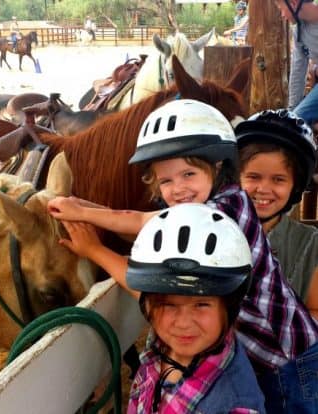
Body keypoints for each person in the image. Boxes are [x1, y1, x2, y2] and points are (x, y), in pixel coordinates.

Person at [48, 99, 318, 413]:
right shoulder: (219, 202)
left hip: (290, 360)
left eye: (188, 174)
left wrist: (91, 236)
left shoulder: (225, 210)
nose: (178, 189)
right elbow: (139, 219)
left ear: (216, 168)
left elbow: (147, 255)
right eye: (166, 180)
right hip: (275, 352)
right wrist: (96, 213)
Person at [125, 203, 266, 412]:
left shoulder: (235, 404)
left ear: (230, 307)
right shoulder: (161, 346)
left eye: (201, 304)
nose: (182, 323)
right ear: (149, 306)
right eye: (168, 304)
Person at [237, 109, 318, 317]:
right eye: (253, 177)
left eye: (278, 179)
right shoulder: (214, 229)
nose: (263, 189)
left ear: (296, 186)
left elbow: (315, 310)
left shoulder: (309, 244)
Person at [274, 0, 318, 126]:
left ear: (293, 3)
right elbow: (297, 72)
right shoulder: (298, 32)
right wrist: (292, 111)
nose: (282, 15)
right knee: (295, 121)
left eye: (281, 8)